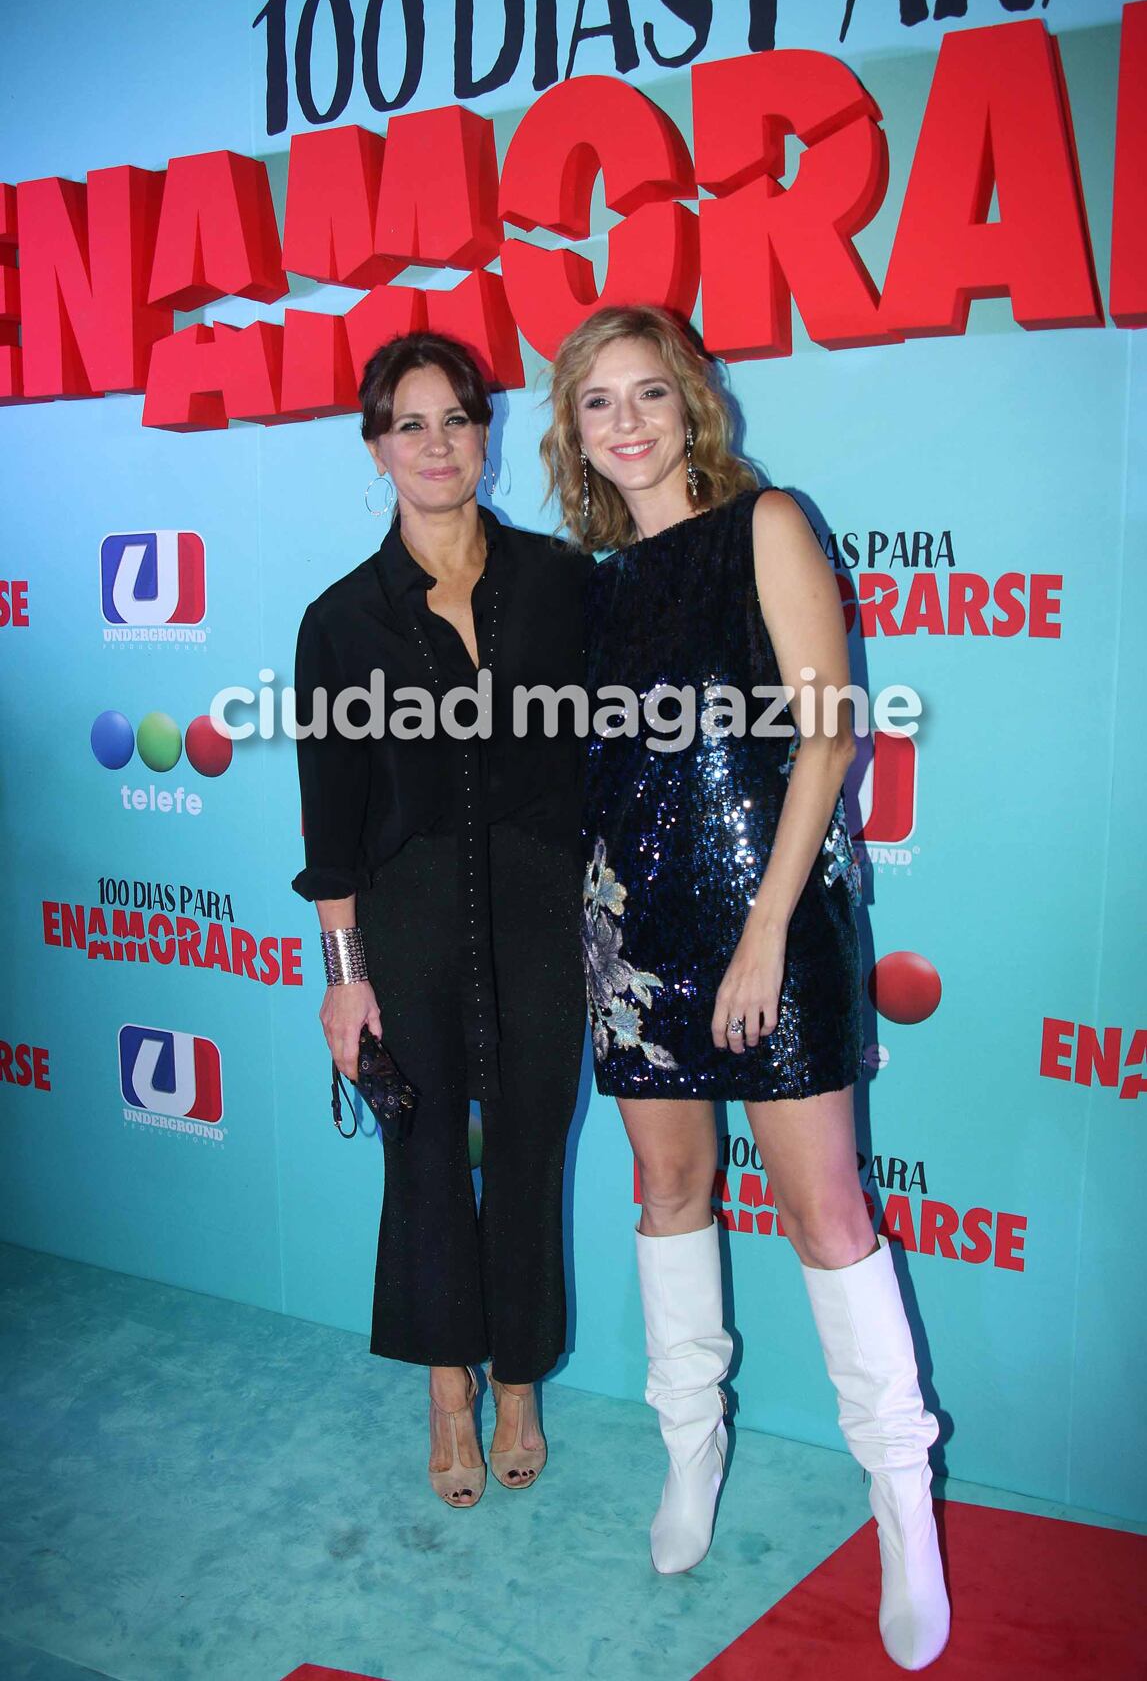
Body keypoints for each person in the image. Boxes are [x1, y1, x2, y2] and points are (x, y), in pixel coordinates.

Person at [540, 305, 949, 1671]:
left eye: (647, 393)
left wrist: (767, 929)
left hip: (769, 914)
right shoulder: (585, 585)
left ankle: (900, 1504)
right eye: (597, 403)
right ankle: (686, 1452)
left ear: (691, 404)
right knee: (665, 1198)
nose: (626, 422)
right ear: (574, 433)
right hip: (631, 938)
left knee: (825, 1213)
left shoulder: (767, 524)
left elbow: (823, 739)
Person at [293, 331, 592, 1509]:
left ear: (486, 433)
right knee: (422, 1162)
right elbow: (331, 828)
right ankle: (445, 1391)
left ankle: (516, 1377)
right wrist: (345, 974)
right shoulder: (340, 621)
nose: (434, 443)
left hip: (538, 915)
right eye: (407, 423)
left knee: (526, 1146)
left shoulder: (561, 581)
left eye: (455, 419)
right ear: (376, 446)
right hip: (406, 924)